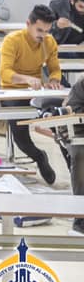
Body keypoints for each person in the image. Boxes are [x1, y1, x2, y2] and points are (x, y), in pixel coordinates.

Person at [0, 5, 63, 185]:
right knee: (21, 138)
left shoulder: (49, 42)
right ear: (28, 24)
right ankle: (39, 156)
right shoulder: (12, 40)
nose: (43, 35)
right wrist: (26, 79)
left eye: (47, 31)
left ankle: (71, 159)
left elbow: (55, 69)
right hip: (12, 91)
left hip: (36, 91)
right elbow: (5, 73)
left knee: (62, 118)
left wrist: (54, 80)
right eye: (39, 30)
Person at [61, 79, 84, 234]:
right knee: (80, 156)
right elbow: (72, 109)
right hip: (77, 130)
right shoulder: (82, 84)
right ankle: (80, 217)